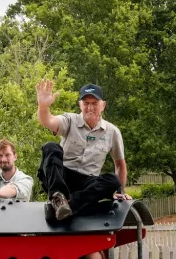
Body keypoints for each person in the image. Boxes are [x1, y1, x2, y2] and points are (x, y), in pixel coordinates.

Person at [35, 81, 129, 220]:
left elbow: (120, 165)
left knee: (113, 180)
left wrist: (120, 191)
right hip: (61, 178)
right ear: (80, 105)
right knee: (50, 146)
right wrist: (43, 107)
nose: (90, 107)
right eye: (86, 103)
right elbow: (48, 121)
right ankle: (58, 199)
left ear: (102, 105)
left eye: (94, 103)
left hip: (87, 185)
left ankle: (68, 206)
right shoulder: (70, 120)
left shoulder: (112, 132)